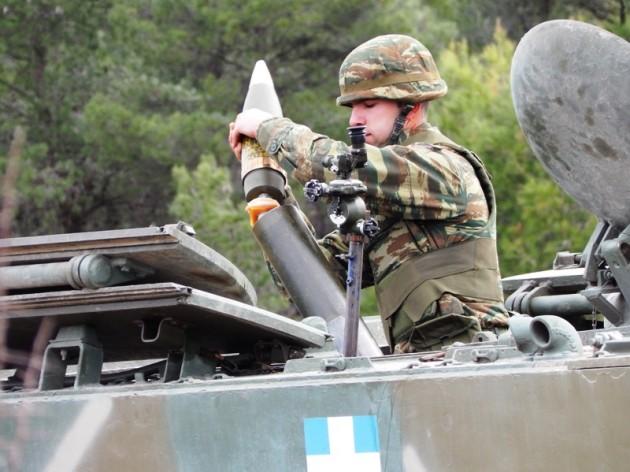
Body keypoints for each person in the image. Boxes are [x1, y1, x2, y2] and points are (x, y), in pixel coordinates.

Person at [229, 34, 509, 352]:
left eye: (369, 105)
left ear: (412, 107)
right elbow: (309, 278)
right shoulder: (387, 204)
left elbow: (347, 167)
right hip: (427, 367)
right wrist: (272, 194)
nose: (355, 119)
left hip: (475, 360)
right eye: (352, 107)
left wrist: (270, 129)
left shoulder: (444, 169)